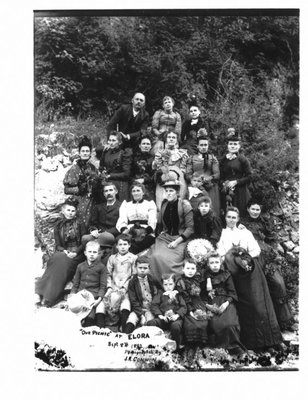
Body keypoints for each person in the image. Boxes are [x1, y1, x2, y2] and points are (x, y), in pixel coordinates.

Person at [217, 207, 283, 351]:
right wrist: (233, 260)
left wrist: (245, 259)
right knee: (248, 308)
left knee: (260, 306)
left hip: (251, 272)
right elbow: (221, 254)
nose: (231, 220)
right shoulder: (222, 234)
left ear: (238, 219)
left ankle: (272, 341)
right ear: (225, 218)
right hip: (236, 276)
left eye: (234, 217)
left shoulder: (245, 232)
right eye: (229, 217)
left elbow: (256, 250)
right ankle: (257, 344)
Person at [240, 199, 293, 331]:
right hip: (252, 257)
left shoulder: (264, 222)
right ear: (248, 209)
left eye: (257, 209)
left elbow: (272, 239)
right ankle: (267, 326)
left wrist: (272, 250)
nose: (255, 212)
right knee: (259, 290)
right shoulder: (242, 223)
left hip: (267, 256)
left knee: (278, 283)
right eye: (253, 209)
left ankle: (285, 321)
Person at [35, 196, 86, 307]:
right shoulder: (58, 225)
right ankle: (39, 292)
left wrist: (76, 252)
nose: (70, 213)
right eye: (68, 210)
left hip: (78, 254)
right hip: (64, 252)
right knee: (56, 260)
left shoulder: (80, 224)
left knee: (63, 265)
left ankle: (50, 296)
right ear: (63, 211)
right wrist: (65, 251)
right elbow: (58, 245)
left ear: (76, 212)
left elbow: (84, 242)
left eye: (73, 211)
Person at [148, 179, 194, 282]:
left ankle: (173, 284)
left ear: (177, 192)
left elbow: (190, 228)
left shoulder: (185, 205)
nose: (168, 193)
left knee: (170, 261)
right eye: (167, 191)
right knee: (155, 256)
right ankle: (158, 283)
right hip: (165, 238)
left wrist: (176, 242)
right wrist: (160, 233)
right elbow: (159, 223)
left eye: (171, 191)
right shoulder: (164, 204)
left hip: (180, 239)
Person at [201, 251, 245, 355]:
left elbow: (232, 293)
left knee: (231, 323)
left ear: (221, 263)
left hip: (226, 303)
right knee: (218, 324)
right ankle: (222, 348)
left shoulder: (226, 275)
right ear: (208, 264)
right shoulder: (204, 276)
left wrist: (225, 304)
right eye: (212, 263)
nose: (215, 265)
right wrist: (208, 306)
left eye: (217, 262)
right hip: (211, 304)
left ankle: (234, 346)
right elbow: (201, 295)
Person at [63, 135, 100, 229]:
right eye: (83, 151)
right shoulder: (74, 169)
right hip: (79, 202)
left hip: (92, 202)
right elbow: (67, 189)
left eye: (87, 151)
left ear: (90, 153)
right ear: (79, 153)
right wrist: (79, 189)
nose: (85, 153)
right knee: (79, 226)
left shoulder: (93, 168)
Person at [103, 234, 138, 331]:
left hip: (126, 288)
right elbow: (108, 274)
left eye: (125, 244)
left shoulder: (133, 258)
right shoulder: (112, 258)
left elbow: (133, 275)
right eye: (120, 244)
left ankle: (122, 326)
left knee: (125, 305)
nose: (123, 247)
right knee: (109, 302)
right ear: (116, 246)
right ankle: (109, 325)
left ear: (129, 245)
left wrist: (124, 288)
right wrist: (109, 287)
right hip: (114, 286)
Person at [68, 241, 107, 328]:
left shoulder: (102, 267)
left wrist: (99, 298)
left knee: (89, 319)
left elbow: (103, 286)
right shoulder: (80, 266)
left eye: (94, 252)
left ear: (98, 253)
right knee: (75, 317)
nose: (92, 254)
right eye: (90, 252)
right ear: (85, 253)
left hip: (93, 296)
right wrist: (72, 295)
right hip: (80, 295)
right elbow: (76, 283)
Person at [147, 273, 187, 350]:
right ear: (162, 285)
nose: (168, 287)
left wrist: (177, 315)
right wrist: (160, 316)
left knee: (175, 327)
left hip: (175, 319)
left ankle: (176, 347)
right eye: (166, 284)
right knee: (151, 323)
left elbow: (184, 307)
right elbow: (154, 305)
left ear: (174, 284)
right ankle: (155, 345)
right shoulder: (160, 293)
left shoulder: (177, 294)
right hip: (164, 318)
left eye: (170, 284)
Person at [116, 182, 157, 254]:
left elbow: (153, 219)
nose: (136, 193)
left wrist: (147, 230)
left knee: (147, 240)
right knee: (124, 241)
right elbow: (122, 218)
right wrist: (124, 229)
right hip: (130, 230)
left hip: (145, 230)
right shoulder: (126, 205)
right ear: (131, 193)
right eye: (133, 191)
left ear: (143, 192)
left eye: (138, 190)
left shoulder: (149, 204)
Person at [175, 259, 209, 347]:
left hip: (199, 303)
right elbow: (184, 297)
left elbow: (203, 294)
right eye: (188, 268)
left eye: (193, 269)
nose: (190, 271)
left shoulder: (198, 279)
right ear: (183, 269)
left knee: (203, 322)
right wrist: (191, 311)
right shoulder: (180, 282)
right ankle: (190, 346)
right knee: (192, 323)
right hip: (187, 305)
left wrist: (205, 304)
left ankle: (200, 345)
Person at [185, 132, 220, 216]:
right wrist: (194, 181)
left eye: (205, 145)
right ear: (198, 146)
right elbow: (187, 174)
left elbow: (217, 174)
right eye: (201, 145)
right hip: (195, 186)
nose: (203, 147)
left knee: (211, 210)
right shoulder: (192, 158)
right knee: (196, 210)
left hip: (209, 186)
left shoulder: (212, 158)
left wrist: (208, 179)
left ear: (208, 146)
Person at [152, 130, 189, 210]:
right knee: (162, 205)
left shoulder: (182, 153)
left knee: (178, 206)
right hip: (163, 180)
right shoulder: (160, 153)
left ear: (177, 140)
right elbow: (158, 169)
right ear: (166, 139)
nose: (171, 139)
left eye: (173, 137)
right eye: (169, 137)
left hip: (178, 180)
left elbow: (183, 170)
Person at [219, 130, 252, 216]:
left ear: (239, 146)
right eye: (230, 144)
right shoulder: (223, 159)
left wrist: (236, 182)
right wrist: (224, 183)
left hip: (240, 191)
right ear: (227, 145)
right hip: (226, 191)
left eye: (235, 144)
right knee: (227, 212)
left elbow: (250, 176)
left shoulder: (243, 159)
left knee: (239, 213)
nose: (232, 146)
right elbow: (221, 176)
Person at [124, 256, 160, 333]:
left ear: (149, 268)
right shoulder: (132, 282)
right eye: (140, 268)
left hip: (150, 308)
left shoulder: (153, 279)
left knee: (150, 323)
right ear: (135, 267)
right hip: (138, 308)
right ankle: (125, 338)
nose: (142, 270)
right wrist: (140, 315)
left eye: (145, 268)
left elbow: (160, 290)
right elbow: (133, 300)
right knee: (131, 320)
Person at [96, 131, 132, 202]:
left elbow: (126, 174)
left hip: (120, 184)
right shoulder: (106, 152)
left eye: (113, 140)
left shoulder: (124, 154)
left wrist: (110, 176)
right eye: (109, 140)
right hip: (107, 183)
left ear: (119, 142)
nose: (111, 142)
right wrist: (103, 171)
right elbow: (101, 166)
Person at [131, 135, 155, 200]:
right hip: (135, 185)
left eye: (148, 144)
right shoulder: (133, 158)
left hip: (149, 187)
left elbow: (154, 174)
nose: (146, 146)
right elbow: (129, 172)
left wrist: (144, 180)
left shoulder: (154, 158)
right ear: (140, 145)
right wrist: (135, 180)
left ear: (151, 146)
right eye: (143, 144)